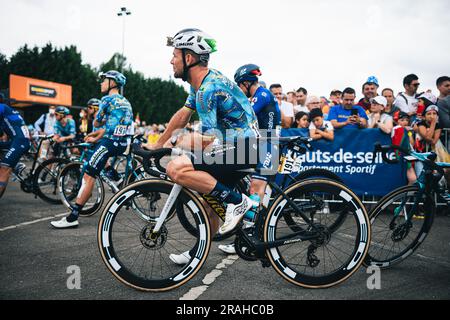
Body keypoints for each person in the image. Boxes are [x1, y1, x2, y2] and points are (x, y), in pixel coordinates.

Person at [144, 28, 261, 264]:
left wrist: (176, 143)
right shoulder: (200, 85)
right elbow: (182, 116)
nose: (171, 60)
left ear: (189, 58)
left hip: (246, 146)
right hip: (241, 145)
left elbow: (206, 140)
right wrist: (158, 144)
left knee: (176, 169)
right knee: (210, 201)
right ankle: (200, 249)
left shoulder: (208, 89)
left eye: (175, 55)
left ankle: (239, 202)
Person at [51, 70, 133, 228]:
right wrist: (96, 137)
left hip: (109, 143)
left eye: (104, 80)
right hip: (122, 143)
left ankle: (72, 217)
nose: (101, 83)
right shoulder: (125, 101)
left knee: (88, 177)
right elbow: (112, 127)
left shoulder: (107, 99)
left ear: (112, 83)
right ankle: (117, 179)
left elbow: (97, 123)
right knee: (100, 168)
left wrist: (97, 126)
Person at [219, 64, 281, 255]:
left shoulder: (261, 94)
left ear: (246, 82)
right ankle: (248, 231)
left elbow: (245, 115)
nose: (239, 89)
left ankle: (249, 236)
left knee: (256, 188)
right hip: (260, 144)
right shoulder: (257, 95)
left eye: (239, 85)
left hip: (269, 145)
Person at [0, 102, 31, 198]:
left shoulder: (2, 107)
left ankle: (13, 165)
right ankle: (16, 165)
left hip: (20, 141)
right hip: (17, 141)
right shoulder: (6, 111)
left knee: (4, 169)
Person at [391, 112, 416, 184]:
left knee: (412, 179)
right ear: (396, 121)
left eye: (406, 120)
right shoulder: (396, 128)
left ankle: (407, 194)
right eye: (402, 120)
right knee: (412, 179)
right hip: (401, 156)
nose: (405, 122)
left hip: (407, 156)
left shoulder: (406, 130)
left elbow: (412, 143)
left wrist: (409, 133)